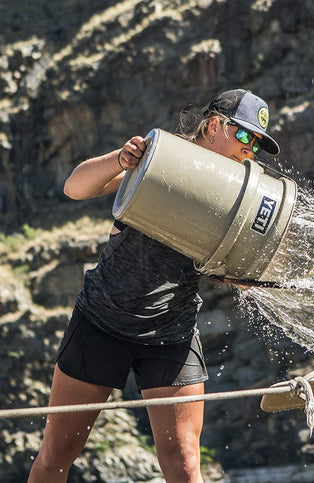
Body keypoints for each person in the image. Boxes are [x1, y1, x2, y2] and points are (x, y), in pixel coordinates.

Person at [28, 89, 281, 483]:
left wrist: (244, 276)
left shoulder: (239, 196)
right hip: (103, 320)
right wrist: (121, 158)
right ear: (214, 125)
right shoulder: (161, 158)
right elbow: (74, 188)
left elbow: (234, 268)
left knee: (184, 463)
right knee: (56, 454)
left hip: (171, 332)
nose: (249, 152)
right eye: (245, 137)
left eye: (257, 146)